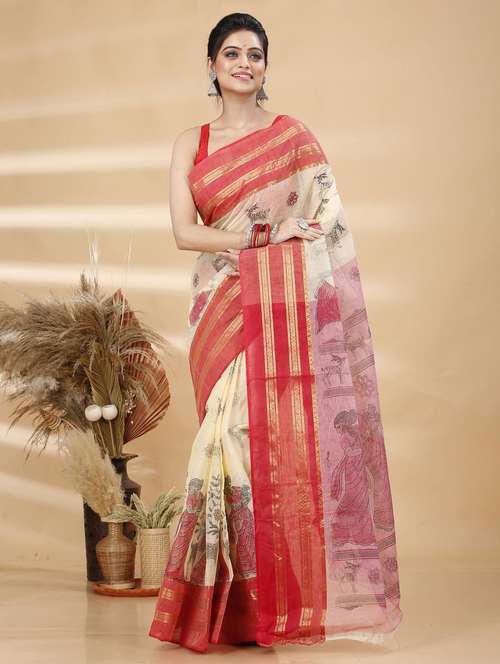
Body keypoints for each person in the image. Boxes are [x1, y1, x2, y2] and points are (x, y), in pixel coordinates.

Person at [149, 12, 403, 653]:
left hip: (277, 304)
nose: (244, 63)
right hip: (217, 306)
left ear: (266, 66)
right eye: (231, 53)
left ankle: (258, 605)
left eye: (254, 54)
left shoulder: (291, 138)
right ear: (211, 65)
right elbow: (184, 233)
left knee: (251, 440)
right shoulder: (190, 143)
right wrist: (263, 235)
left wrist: (284, 241)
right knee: (223, 436)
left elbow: (326, 223)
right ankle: (226, 605)